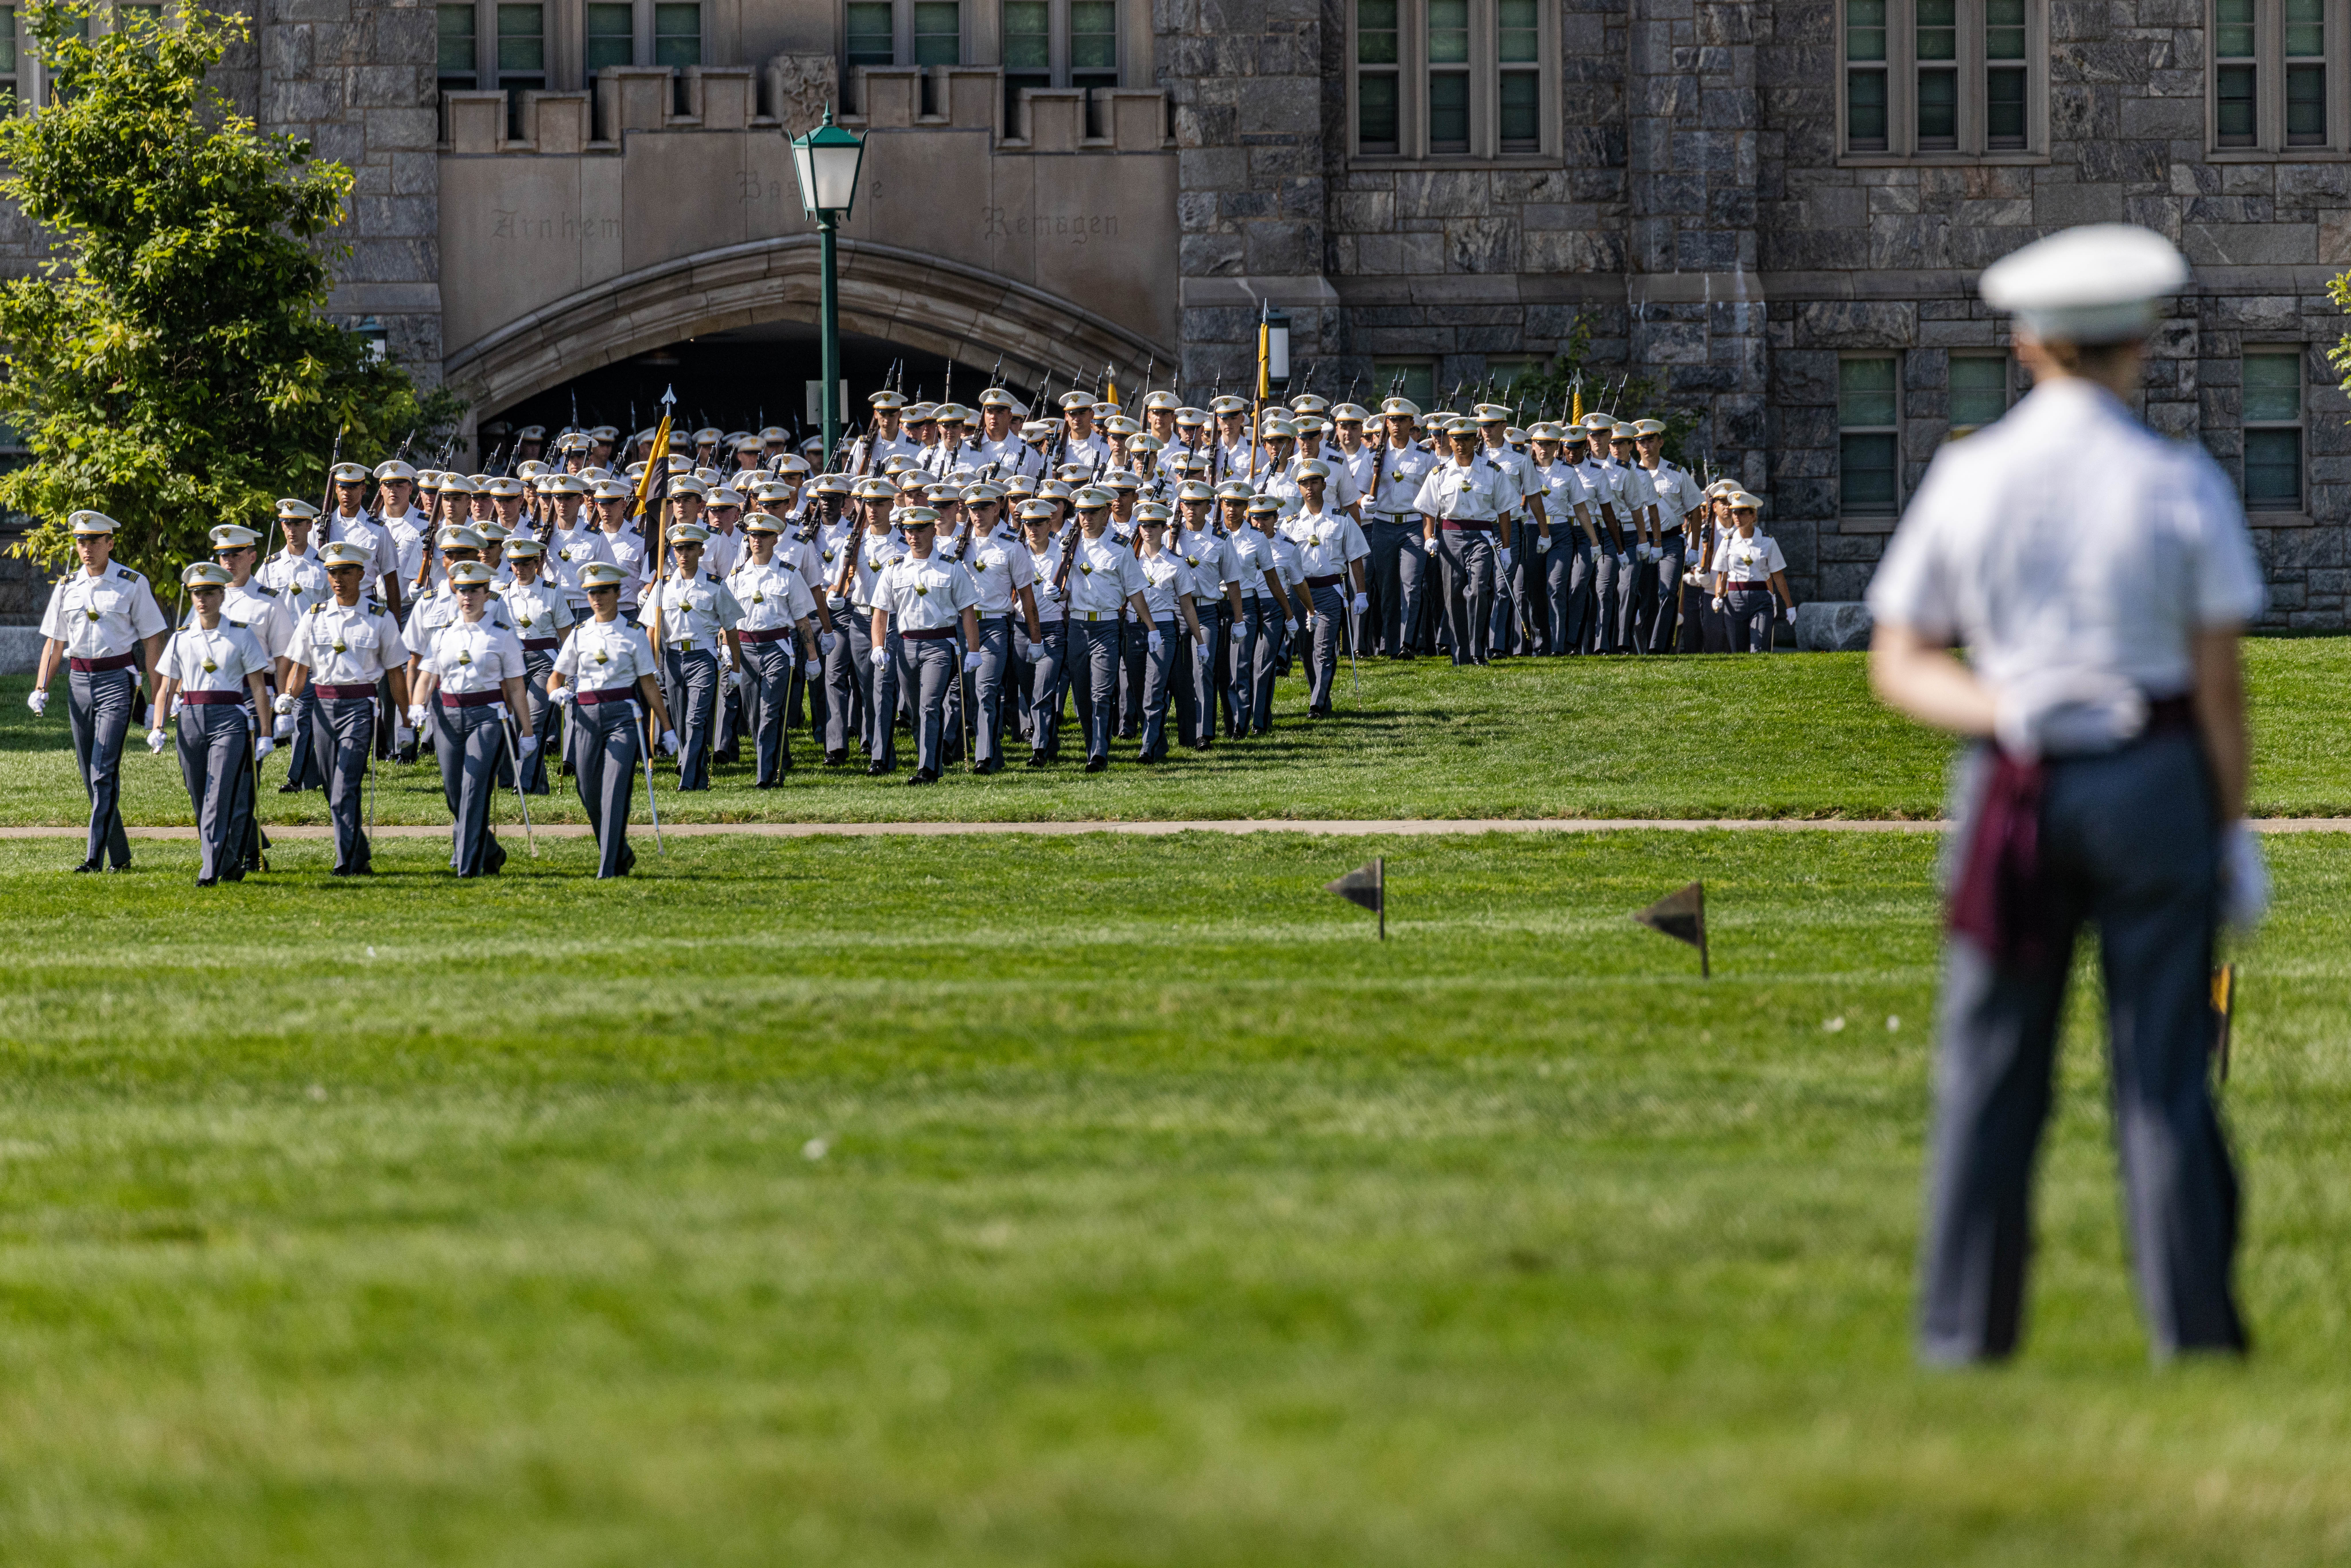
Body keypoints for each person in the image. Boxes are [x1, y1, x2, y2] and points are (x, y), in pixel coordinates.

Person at [1865, 222, 2262, 1364]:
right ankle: (2192, 1334)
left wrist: (2005, 710)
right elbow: (2217, 688)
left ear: (2025, 341)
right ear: (2138, 339)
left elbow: (1898, 661)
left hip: (2018, 780)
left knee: (1990, 1075)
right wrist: (2226, 832)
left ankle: (1960, 1336)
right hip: (2150, 777)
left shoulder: (1969, 474)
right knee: (2159, 1076)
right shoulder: (2174, 481)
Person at [29, 511, 168, 874]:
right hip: (78, 683)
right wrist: (41, 686)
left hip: (117, 681)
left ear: (110, 542)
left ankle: (94, 858)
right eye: (81, 541)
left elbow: (154, 640)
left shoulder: (131, 583)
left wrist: (156, 701)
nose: (87, 548)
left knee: (103, 771)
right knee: (88, 772)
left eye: (94, 541)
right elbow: (55, 643)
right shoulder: (66, 586)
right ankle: (120, 855)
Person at [279, 539, 412, 876]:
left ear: (361, 573)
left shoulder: (380, 619)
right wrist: (288, 698)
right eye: (332, 572)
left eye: (345, 572)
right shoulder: (314, 617)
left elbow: (396, 675)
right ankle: (359, 853)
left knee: (345, 785)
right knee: (329, 785)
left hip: (360, 706)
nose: (337, 579)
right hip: (323, 706)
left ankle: (345, 862)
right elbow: (301, 668)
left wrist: (408, 721)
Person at [149, 562, 276, 886]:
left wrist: (265, 731)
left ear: (222, 595)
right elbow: (167, 686)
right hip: (191, 719)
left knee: (218, 797)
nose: (202, 600)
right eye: (196, 593)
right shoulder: (182, 638)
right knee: (198, 796)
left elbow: (258, 686)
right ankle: (230, 862)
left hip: (229, 719)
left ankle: (210, 871)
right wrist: (158, 726)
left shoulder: (241, 634)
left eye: (208, 593)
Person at [550, 561, 677, 878]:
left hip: (623, 715)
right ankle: (619, 852)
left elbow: (648, 682)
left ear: (618, 592)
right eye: (592, 592)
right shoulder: (580, 634)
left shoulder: (633, 634)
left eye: (604, 591)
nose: (597, 598)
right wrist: (557, 694)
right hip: (586, 716)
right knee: (589, 791)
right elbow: (556, 677)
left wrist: (667, 728)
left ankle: (609, 868)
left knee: (615, 788)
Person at [408, 560, 529, 878]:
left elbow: (516, 687)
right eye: (461, 590)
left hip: (488, 716)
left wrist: (526, 732)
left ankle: (468, 866)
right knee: (454, 791)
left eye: (474, 590)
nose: (467, 596)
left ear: (486, 593)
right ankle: (491, 851)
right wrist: (417, 705)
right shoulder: (444, 634)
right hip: (448, 715)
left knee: (474, 786)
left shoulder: (502, 635)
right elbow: (426, 674)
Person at [870, 506, 982, 785]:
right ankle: (931, 762)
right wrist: (878, 646)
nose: (915, 536)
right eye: (909, 530)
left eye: (920, 529)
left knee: (930, 706)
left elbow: (967, 610)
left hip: (940, 645)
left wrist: (974, 649)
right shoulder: (894, 569)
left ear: (934, 530)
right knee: (915, 710)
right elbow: (880, 612)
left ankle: (927, 769)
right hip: (906, 646)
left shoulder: (951, 567)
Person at [647, 521, 745, 791]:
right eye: (679, 549)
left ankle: (687, 781)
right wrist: (650, 664)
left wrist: (735, 668)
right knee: (680, 723)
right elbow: (652, 629)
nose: (684, 554)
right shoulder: (663, 587)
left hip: (703, 657)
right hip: (673, 658)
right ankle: (698, 777)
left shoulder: (715, 586)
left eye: (690, 548)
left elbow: (732, 629)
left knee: (696, 720)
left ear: (701, 551)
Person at [1060, 486, 1152, 772]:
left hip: (1107, 625)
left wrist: (1151, 627)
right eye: (1081, 512)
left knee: (1101, 693)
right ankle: (1092, 746)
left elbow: (1135, 590)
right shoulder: (1069, 545)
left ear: (1105, 513)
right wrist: (1056, 594)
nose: (1085, 518)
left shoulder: (1120, 546)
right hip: (1077, 625)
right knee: (1082, 695)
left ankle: (1099, 753)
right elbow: (1061, 583)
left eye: (1091, 512)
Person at [728, 513, 823, 786]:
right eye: (753, 535)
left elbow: (802, 620)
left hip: (778, 648)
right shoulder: (736, 577)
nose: (756, 540)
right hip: (746, 649)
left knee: (771, 711)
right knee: (754, 715)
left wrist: (813, 658)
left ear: (775, 539)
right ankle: (777, 761)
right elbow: (727, 618)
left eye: (763, 535)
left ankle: (766, 776)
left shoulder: (789, 575)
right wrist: (727, 648)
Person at [1413, 418, 1515, 667]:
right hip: (1450, 537)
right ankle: (1461, 655)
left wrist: (1506, 548)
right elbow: (1428, 509)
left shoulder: (1493, 471)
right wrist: (1429, 538)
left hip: (1482, 536)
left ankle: (1477, 651)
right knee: (1453, 597)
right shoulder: (1440, 474)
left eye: (1467, 439)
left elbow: (1504, 512)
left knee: (1480, 590)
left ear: (1475, 440)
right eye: (1457, 440)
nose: (1461, 445)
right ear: (1450, 441)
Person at [1279, 460, 1372, 717]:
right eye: (1304, 483)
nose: (1309, 488)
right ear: (1299, 489)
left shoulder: (1342, 520)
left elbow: (1356, 557)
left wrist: (1361, 593)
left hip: (1331, 590)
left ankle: (1316, 705)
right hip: (1300, 592)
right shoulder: (1290, 524)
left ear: (1324, 484)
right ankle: (1320, 697)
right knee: (1306, 649)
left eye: (1314, 482)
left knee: (1324, 649)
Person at [498, 538, 574, 793]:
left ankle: (525, 785)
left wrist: (570, 673)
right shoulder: (501, 595)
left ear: (537, 562)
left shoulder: (552, 592)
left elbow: (567, 636)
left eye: (525, 563)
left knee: (535, 720)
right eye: (514, 563)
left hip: (546, 662)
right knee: (521, 724)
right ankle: (539, 784)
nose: (519, 568)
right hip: (514, 663)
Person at [1708, 493, 1798, 653]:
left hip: (1761, 600)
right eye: (1735, 512)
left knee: (1758, 649)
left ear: (1753, 516)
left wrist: (1789, 606)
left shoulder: (1767, 541)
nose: (1737, 517)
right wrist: (1718, 596)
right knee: (1738, 650)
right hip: (1735, 599)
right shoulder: (1727, 542)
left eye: (1743, 512)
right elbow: (1722, 575)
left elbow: (1778, 576)